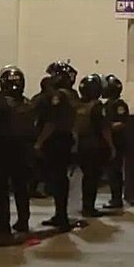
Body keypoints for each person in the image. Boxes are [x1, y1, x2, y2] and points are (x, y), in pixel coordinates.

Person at [0, 66, 34, 234]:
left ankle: (3, 224)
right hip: (23, 150)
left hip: (1, 149)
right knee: (21, 187)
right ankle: (23, 221)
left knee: (0, 188)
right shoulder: (27, 102)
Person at [35, 62, 78, 230]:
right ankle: (61, 214)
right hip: (66, 139)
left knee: (57, 178)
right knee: (60, 178)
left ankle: (61, 216)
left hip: (56, 141)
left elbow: (51, 122)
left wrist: (39, 142)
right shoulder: (72, 94)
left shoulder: (59, 96)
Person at [73, 74, 114, 220]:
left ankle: (86, 205)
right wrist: (111, 146)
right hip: (95, 145)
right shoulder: (97, 106)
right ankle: (89, 207)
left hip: (81, 145)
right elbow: (104, 128)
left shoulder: (78, 106)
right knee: (93, 178)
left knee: (87, 177)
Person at [101, 74, 130, 210]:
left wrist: (108, 127)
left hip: (117, 141)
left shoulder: (119, 105)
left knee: (115, 171)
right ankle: (114, 197)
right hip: (109, 141)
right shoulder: (107, 104)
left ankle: (116, 199)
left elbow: (122, 122)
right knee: (111, 171)